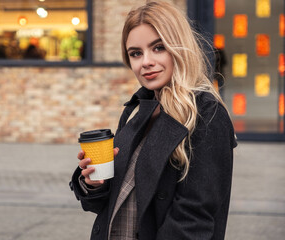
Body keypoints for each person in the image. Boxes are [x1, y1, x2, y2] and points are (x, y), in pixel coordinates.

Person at [70, 1, 237, 239]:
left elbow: (192, 221)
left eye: (158, 48)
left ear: (178, 47)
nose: (145, 61)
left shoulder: (206, 114)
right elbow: (114, 203)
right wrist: (95, 183)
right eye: (136, 53)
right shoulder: (139, 110)